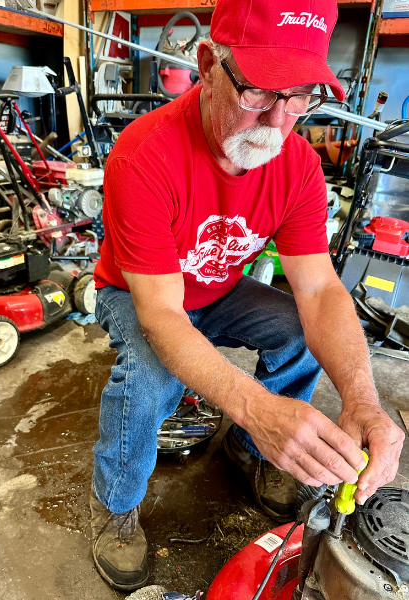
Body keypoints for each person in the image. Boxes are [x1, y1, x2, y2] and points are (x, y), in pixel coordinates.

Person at [88, 0, 405, 592]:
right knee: (151, 377)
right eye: (259, 91)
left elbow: (318, 289)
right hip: (138, 294)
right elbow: (161, 314)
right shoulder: (143, 154)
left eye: (301, 96)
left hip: (221, 289)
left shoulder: (300, 165)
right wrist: (256, 407)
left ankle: (250, 449)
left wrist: (363, 399)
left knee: (297, 333)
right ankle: (117, 505)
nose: (279, 120)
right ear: (207, 65)